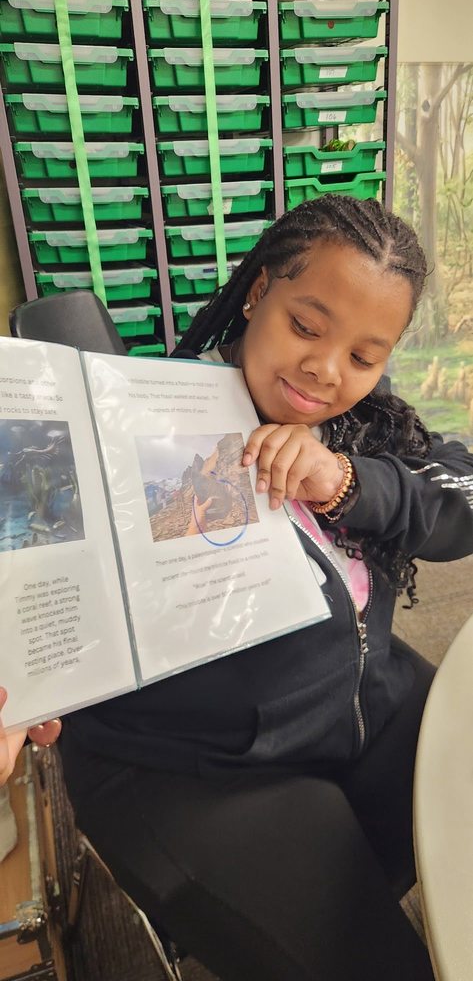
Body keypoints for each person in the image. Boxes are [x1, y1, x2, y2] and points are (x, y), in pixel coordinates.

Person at [4, 196, 473, 979]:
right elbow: (33, 565)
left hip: (367, 709)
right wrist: (32, 669)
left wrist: (347, 482)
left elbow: (459, 492)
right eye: (306, 326)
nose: (325, 372)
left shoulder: (367, 432)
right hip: (197, 774)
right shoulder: (125, 428)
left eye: (363, 356)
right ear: (258, 292)